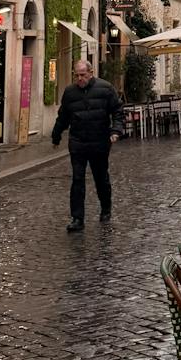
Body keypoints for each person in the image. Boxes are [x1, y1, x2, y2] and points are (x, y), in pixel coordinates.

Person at [51, 59, 124, 232]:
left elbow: (117, 111)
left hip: (99, 141)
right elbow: (63, 117)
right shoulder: (70, 93)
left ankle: (106, 208)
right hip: (78, 143)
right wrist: (56, 136)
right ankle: (77, 218)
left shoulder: (105, 88)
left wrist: (116, 130)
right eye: (76, 75)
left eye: (83, 75)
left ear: (91, 73)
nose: (79, 78)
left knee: (101, 178)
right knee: (77, 179)